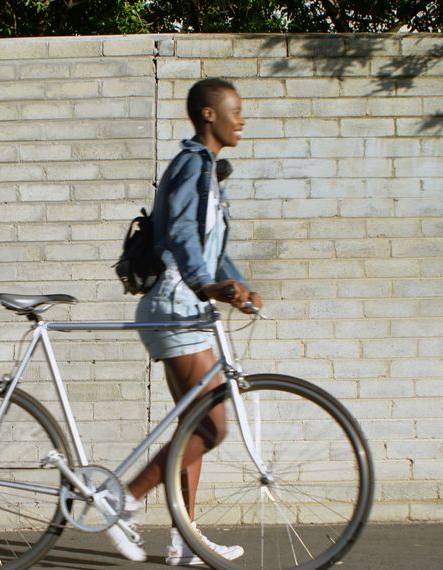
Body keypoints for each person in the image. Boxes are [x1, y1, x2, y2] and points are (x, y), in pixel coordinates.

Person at [107, 78, 263, 566]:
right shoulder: (191, 165)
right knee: (211, 429)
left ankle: (184, 543)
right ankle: (121, 501)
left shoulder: (208, 173)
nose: (242, 120)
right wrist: (206, 285)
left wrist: (236, 285)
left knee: (191, 432)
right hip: (176, 307)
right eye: (235, 112)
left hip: (189, 306)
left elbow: (213, 252)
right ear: (209, 114)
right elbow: (177, 236)